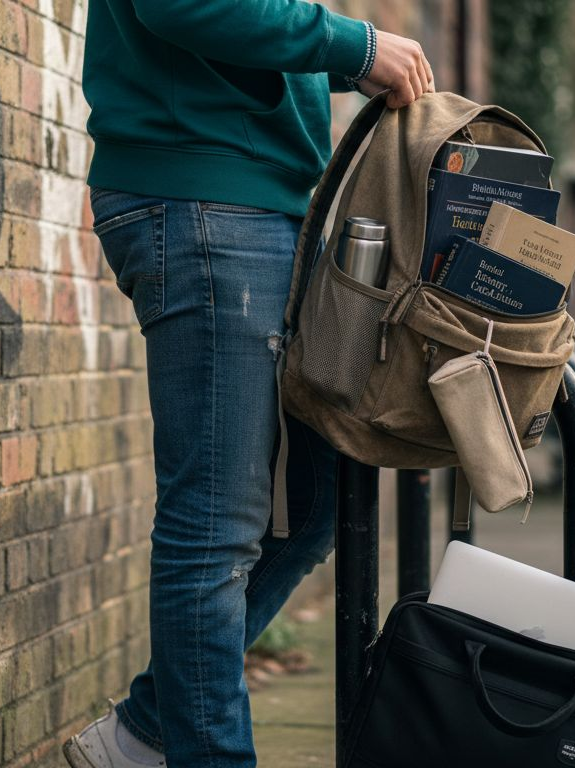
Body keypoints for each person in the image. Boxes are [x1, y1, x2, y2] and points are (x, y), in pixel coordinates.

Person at [66, 3, 434, 766]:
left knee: (314, 502)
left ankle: (147, 730)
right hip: (204, 197)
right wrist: (356, 46)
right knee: (216, 527)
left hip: (258, 203)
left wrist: (345, 60)